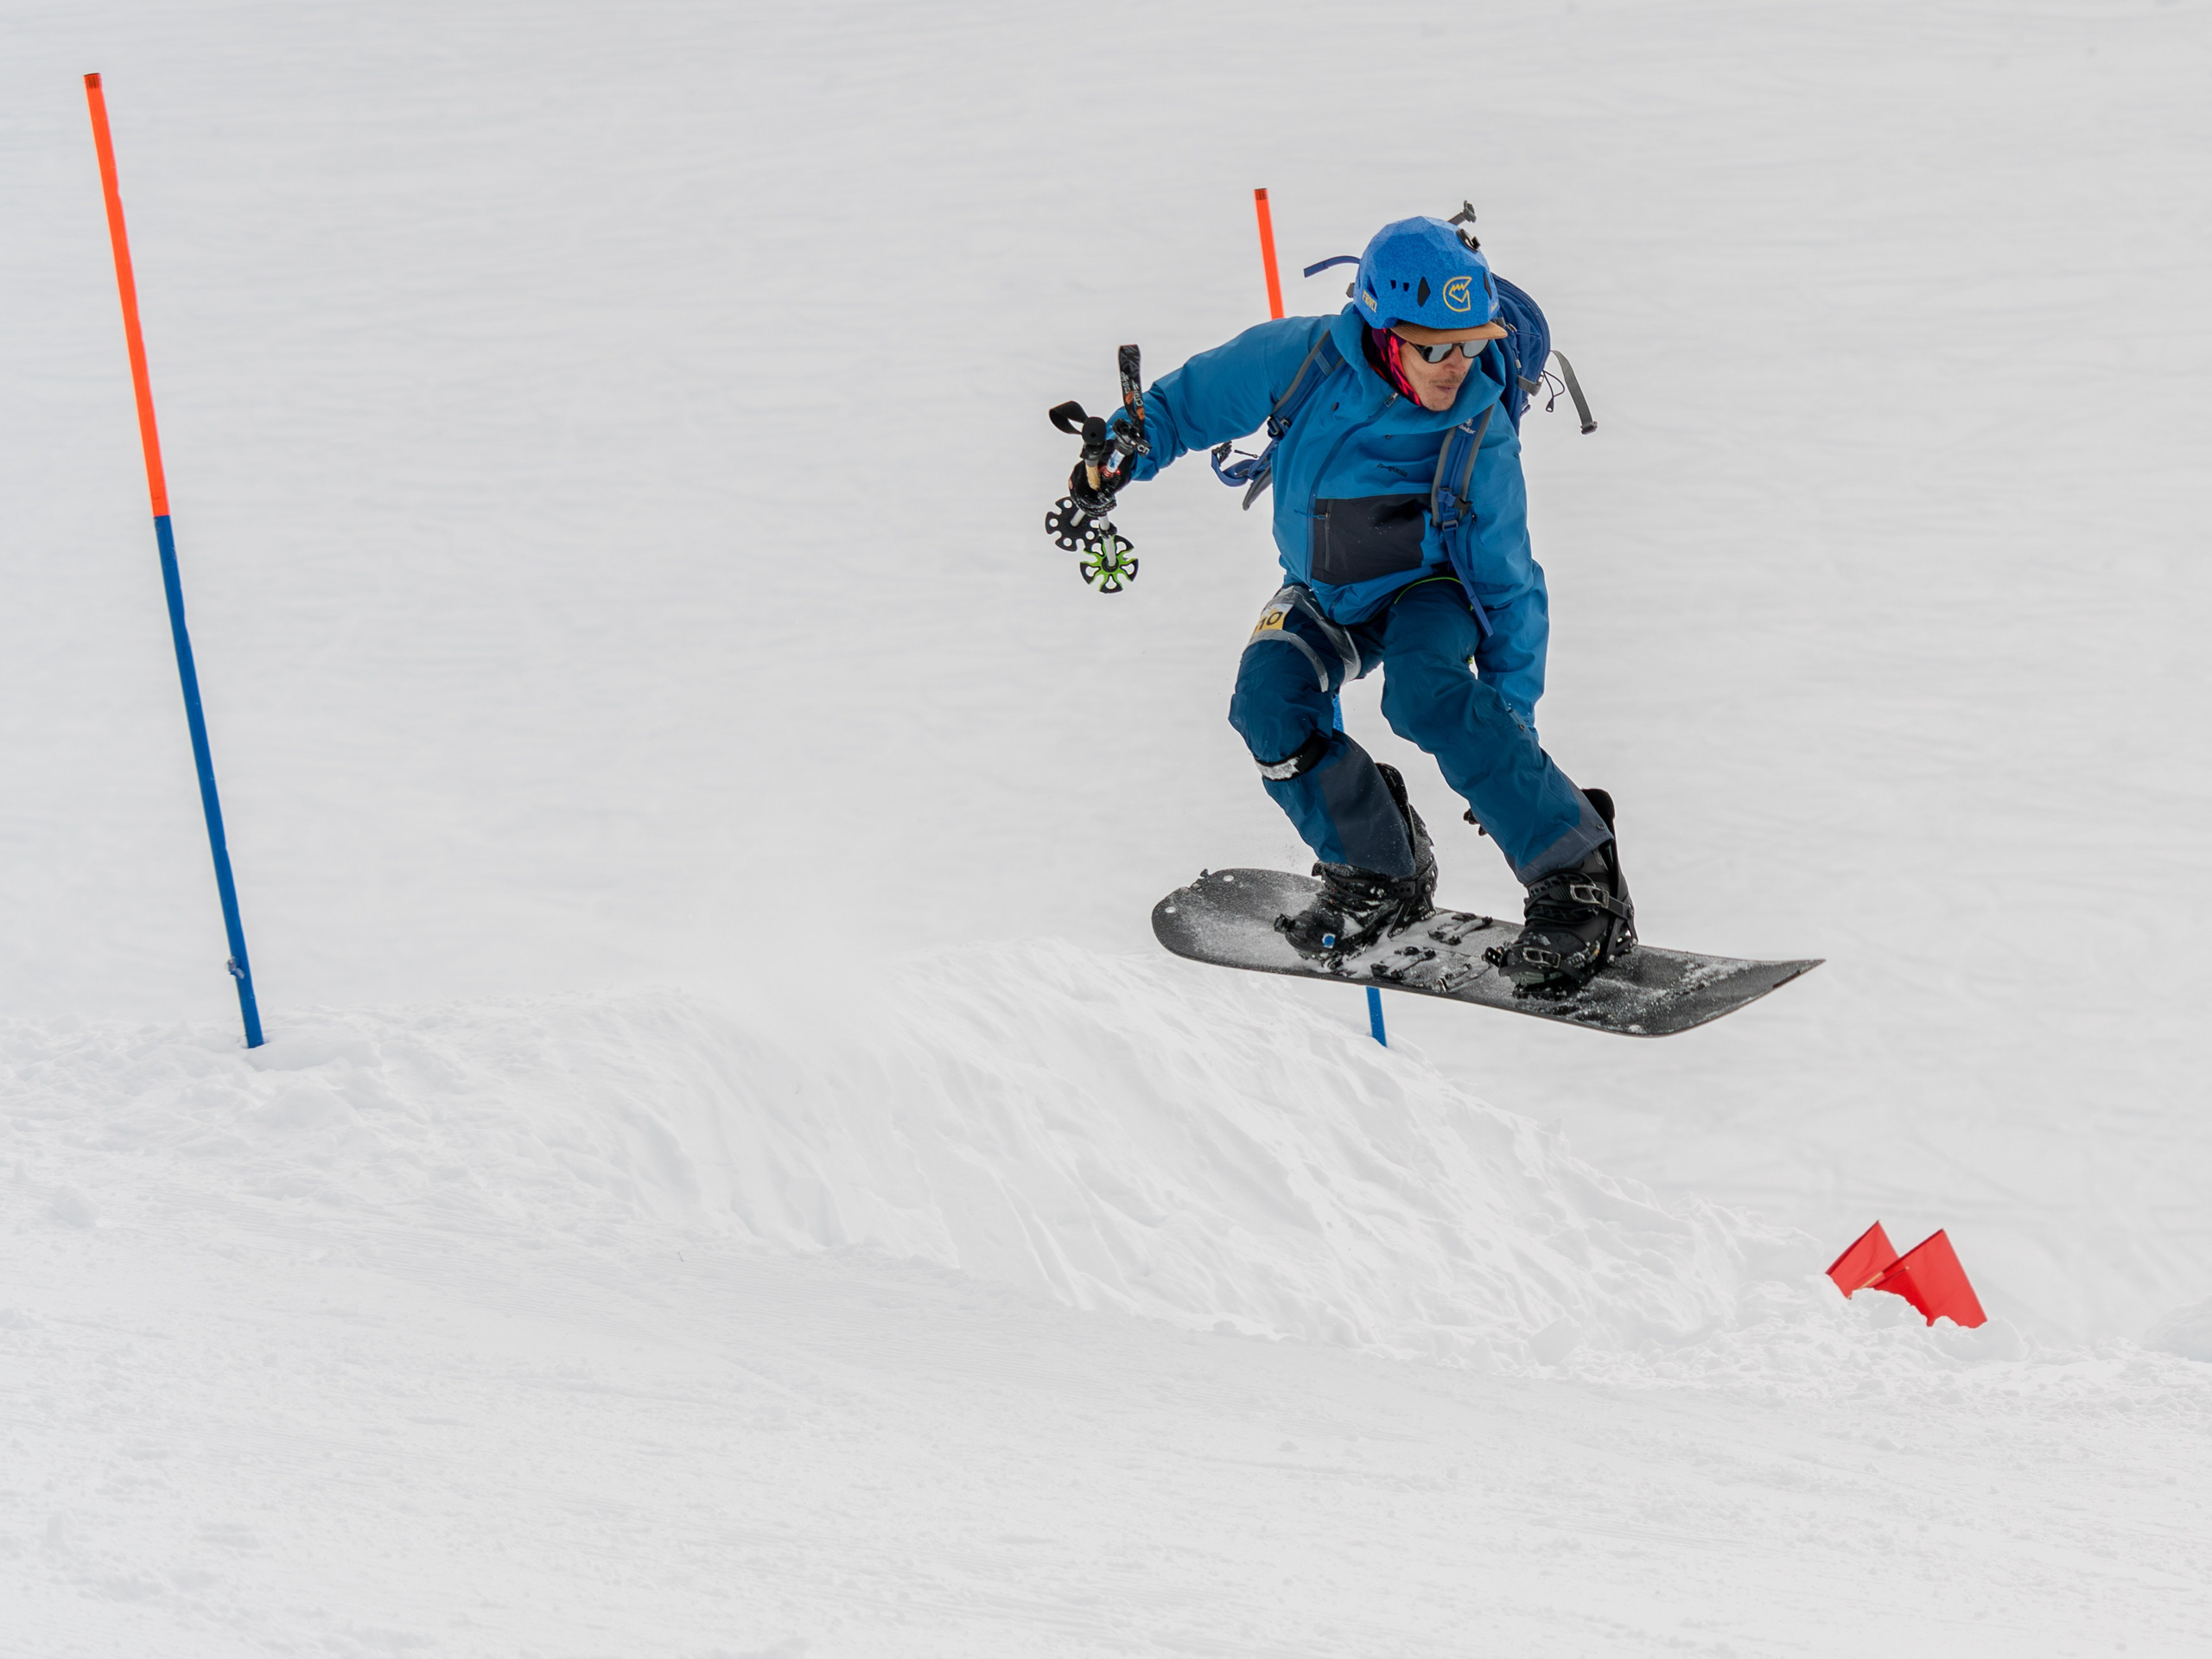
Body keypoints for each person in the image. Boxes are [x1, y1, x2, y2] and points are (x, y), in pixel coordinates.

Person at [1071, 215, 1635, 994]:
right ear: (1380, 328)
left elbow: (1507, 583)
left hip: (1425, 591)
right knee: (1266, 706)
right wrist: (1128, 446)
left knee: (1427, 692)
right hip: (1324, 589)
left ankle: (1580, 881)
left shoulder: (1479, 431)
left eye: (1473, 342)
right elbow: (1190, 405)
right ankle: (1379, 866)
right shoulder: (1302, 358)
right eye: (1436, 346)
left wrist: (1511, 728)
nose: (1457, 366)